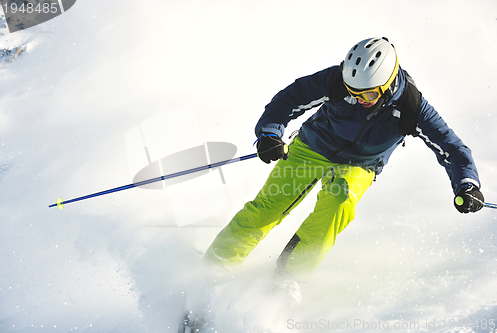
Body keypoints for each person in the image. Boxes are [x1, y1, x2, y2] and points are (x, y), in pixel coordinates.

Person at [203, 37, 484, 305]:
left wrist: (467, 184)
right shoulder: (337, 81)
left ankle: (286, 278)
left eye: (369, 94)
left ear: (387, 85)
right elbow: (288, 99)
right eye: (353, 92)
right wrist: (269, 134)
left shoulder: (412, 107)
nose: (359, 99)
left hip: (360, 165)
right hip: (312, 147)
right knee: (268, 207)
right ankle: (212, 269)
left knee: (338, 203)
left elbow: (452, 147)